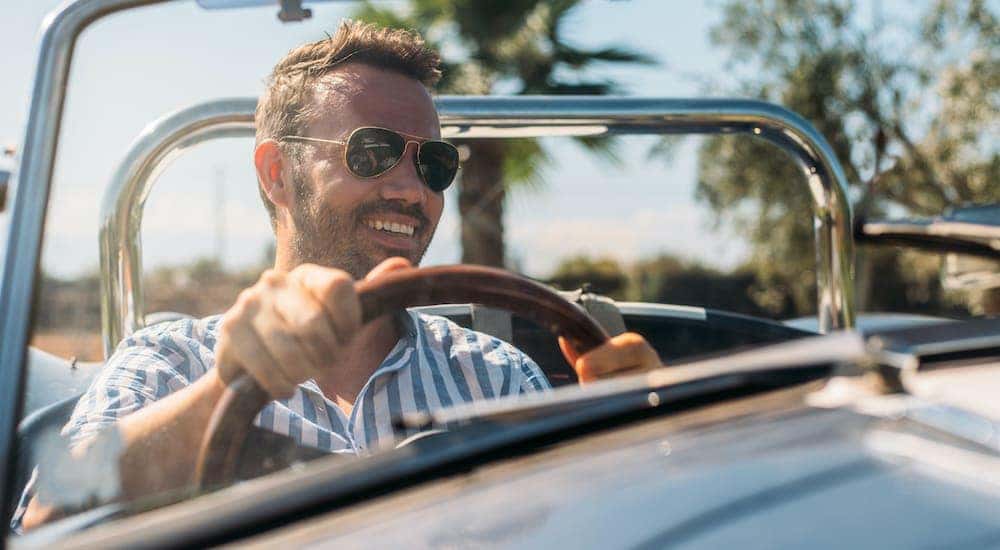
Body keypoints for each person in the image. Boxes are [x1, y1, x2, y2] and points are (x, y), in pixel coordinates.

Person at [17, 20, 660, 530]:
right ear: (276, 174)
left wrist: (644, 444)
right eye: (373, 152)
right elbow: (52, 509)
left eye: (434, 163)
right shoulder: (172, 361)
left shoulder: (500, 376)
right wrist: (228, 389)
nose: (412, 191)